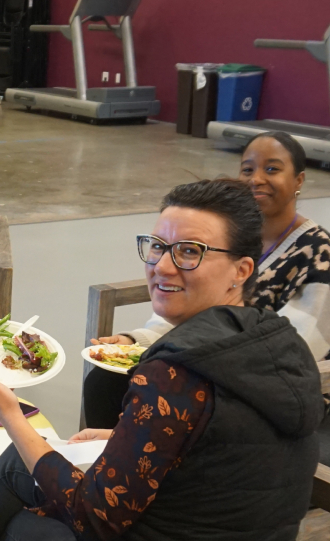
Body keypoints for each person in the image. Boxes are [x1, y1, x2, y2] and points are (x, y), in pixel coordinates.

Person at [0, 179, 323, 541]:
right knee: (26, 463)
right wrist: (130, 437)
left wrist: (9, 414)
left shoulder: (176, 374)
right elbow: (223, 453)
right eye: (157, 246)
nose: (163, 266)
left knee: (21, 522)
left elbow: (94, 516)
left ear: (241, 270)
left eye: (190, 251)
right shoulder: (279, 344)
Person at [83, 132, 330, 429]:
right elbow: (188, 304)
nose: (257, 179)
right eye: (248, 169)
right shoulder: (222, 231)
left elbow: (300, 349)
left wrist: (188, 361)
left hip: (264, 379)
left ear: (299, 180)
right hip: (200, 355)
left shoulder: (318, 253)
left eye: (272, 169)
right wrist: (137, 342)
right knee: (106, 380)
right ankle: (108, 456)